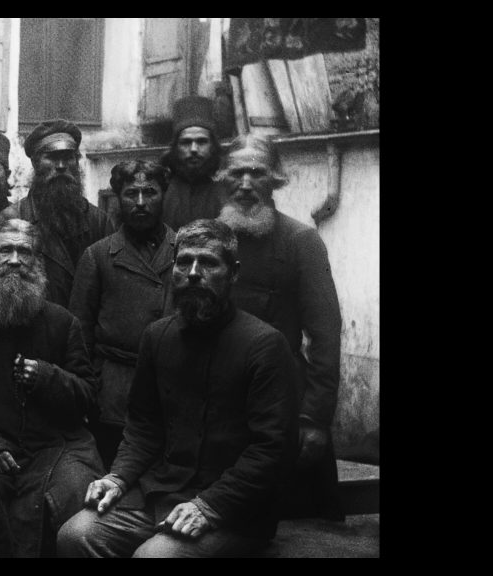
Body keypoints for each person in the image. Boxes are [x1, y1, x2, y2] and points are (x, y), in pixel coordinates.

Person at [56, 219, 298, 558]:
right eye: (184, 262)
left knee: (154, 557)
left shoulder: (265, 345)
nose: (193, 273)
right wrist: (118, 478)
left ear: (234, 272)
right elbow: (143, 427)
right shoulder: (157, 337)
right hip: (161, 491)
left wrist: (209, 506)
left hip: (233, 508)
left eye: (208, 262)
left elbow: (272, 450)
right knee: (76, 535)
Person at [0, 218, 104, 557]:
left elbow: (87, 396)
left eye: (24, 252)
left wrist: (47, 377)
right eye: (6, 250)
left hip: (55, 445)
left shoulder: (63, 322)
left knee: (76, 490)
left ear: (37, 261)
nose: (15, 260)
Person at [216, 134, 344, 520]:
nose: (245, 184)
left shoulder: (301, 240)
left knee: (295, 522)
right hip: (220, 398)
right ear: (223, 177)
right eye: (236, 173)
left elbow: (325, 335)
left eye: (256, 173)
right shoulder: (209, 240)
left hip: (282, 398)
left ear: (275, 179)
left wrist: (315, 420)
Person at [68, 159, 175, 469]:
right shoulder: (98, 255)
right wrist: (90, 390)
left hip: (171, 386)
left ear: (163, 195)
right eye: (130, 193)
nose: (140, 202)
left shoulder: (185, 251)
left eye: (150, 192)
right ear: (117, 197)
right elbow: (79, 333)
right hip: (114, 392)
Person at [0, 119, 116, 308]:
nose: (60, 165)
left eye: (68, 157)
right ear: (35, 163)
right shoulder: (11, 218)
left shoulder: (99, 221)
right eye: (51, 157)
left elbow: (111, 287)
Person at [159, 96, 230, 231]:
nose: (193, 149)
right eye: (185, 142)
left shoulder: (226, 192)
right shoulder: (160, 192)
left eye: (202, 141)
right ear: (175, 147)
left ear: (213, 146)